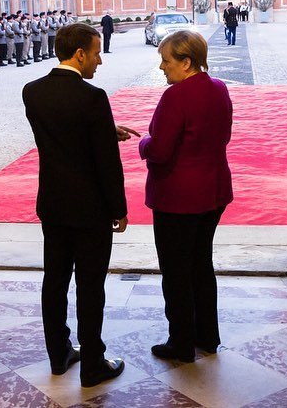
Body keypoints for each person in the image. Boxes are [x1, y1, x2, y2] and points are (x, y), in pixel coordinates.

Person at [23, 23, 136, 388]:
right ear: (80, 54)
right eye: (97, 52)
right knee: (90, 286)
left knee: (54, 281)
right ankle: (92, 364)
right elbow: (105, 162)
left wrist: (105, 128)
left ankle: (58, 356)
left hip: (53, 204)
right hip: (89, 210)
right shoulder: (93, 97)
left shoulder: (32, 92)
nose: (100, 61)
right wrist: (119, 207)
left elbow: (62, 135)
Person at [138, 30, 233, 362]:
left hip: (178, 197)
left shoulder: (175, 96)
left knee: (177, 272)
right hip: (214, 190)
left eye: (166, 61)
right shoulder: (219, 88)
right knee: (201, 265)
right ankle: (207, 336)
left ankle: (180, 343)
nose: (162, 67)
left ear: (186, 62)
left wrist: (142, 144)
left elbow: (160, 150)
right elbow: (226, 135)